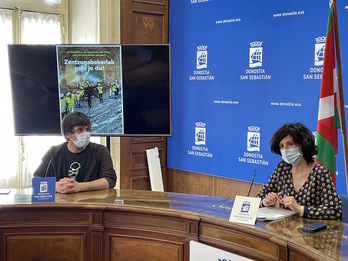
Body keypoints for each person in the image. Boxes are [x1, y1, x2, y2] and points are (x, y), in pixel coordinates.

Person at [257, 122, 342, 221]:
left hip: (311, 232)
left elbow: (335, 210)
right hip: (285, 230)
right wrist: (264, 202)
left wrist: (301, 209)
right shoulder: (282, 168)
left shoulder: (319, 172)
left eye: (290, 144)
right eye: (281, 146)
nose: (285, 150)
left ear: (302, 146)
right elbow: (260, 196)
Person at [33, 112, 117, 193]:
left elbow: (109, 180)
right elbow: (36, 180)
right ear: (67, 134)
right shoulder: (53, 153)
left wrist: (79, 187)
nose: (86, 133)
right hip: (61, 203)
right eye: (80, 130)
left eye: (87, 129)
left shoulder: (100, 151)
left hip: (90, 203)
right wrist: (54, 186)